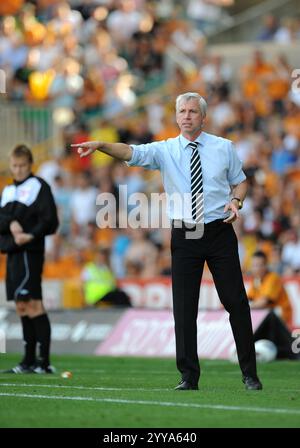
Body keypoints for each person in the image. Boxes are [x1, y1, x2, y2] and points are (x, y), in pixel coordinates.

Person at [71, 92, 262, 391]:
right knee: (184, 308)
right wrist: (102, 146)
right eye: (182, 111)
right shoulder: (165, 150)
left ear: (203, 117)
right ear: (176, 116)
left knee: (236, 301)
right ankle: (188, 376)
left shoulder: (224, 147)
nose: (187, 116)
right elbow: (130, 152)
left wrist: (236, 200)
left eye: (193, 112)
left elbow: (241, 180)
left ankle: (250, 373)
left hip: (219, 230)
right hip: (185, 234)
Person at [0, 145, 59, 373]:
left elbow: (50, 220)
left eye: (22, 165)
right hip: (13, 253)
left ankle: (43, 361)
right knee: (21, 306)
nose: (18, 170)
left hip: (29, 252)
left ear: (30, 164)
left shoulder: (38, 187)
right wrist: (10, 223)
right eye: (15, 166)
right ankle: (27, 361)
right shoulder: (7, 191)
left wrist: (31, 235)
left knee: (34, 304)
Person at [247, 250, 293, 328]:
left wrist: (244, 307)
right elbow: (249, 298)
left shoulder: (273, 279)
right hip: (268, 314)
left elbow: (263, 303)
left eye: (258, 265)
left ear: (265, 265)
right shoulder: (256, 280)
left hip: (281, 316)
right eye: (253, 265)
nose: (255, 268)